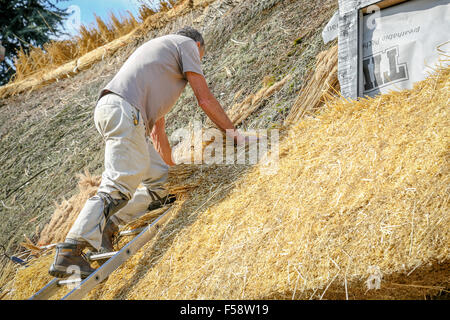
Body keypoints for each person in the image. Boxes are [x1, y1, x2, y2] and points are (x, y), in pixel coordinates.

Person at [49, 27, 253, 278]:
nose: (199, 63)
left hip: (119, 112)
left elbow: (157, 133)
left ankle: (109, 224)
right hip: (125, 111)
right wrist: (235, 134)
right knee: (119, 184)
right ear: (197, 46)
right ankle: (70, 249)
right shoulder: (186, 45)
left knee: (163, 186)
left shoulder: (159, 64)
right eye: (201, 57)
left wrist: (173, 173)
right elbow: (205, 99)